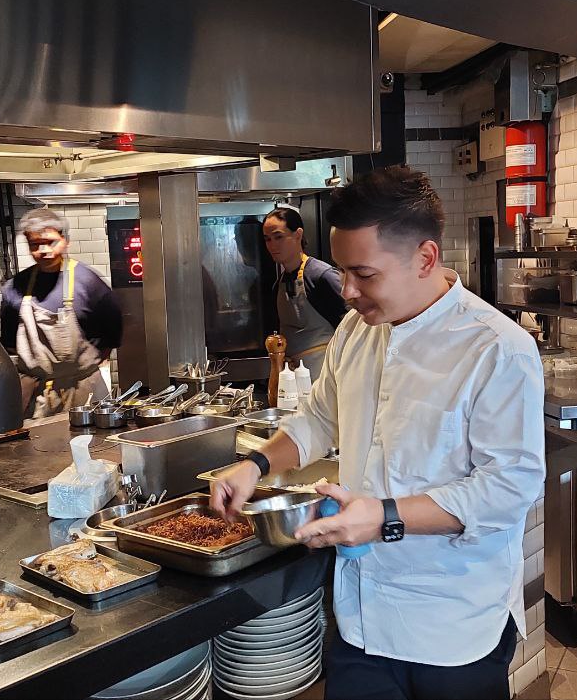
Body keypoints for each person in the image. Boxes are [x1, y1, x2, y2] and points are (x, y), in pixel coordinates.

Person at [212, 167, 546, 700]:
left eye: (364, 274)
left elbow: (509, 487)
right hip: (361, 616)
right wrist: (255, 465)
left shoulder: (496, 348)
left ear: (425, 258)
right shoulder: (356, 330)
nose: (347, 291)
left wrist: (385, 517)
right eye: (344, 271)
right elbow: (318, 418)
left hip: (452, 624)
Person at [0, 208, 123, 418]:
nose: (44, 250)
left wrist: (80, 368)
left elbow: (112, 334)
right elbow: (9, 344)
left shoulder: (89, 283)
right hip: (36, 394)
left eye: (51, 242)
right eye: (35, 244)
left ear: (66, 240)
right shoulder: (15, 288)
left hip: (84, 389)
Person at [262, 205, 347, 376]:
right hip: (293, 378)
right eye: (268, 239)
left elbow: (356, 326)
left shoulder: (321, 276)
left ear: (298, 235)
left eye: (278, 237)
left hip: (324, 375)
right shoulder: (278, 285)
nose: (272, 245)